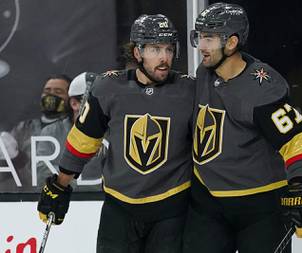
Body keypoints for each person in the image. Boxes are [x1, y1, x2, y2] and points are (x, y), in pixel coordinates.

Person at [37, 14, 195, 253]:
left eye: (169, 49)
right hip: (119, 210)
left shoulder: (189, 90)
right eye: (155, 49)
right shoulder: (108, 87)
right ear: (137, 53)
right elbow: (83, 142)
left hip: (172, 210)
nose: (164, 58)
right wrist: (60, 185)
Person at [183, 3, 302, 253]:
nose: (201, 46)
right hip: (208, 204)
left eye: (209, 38)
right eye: (200, 37)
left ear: (232, 42)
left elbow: (298, 141)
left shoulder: (261, 89)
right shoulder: (205, 72)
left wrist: (300, 184)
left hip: (260, 209)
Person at [0, 74, 71, 192]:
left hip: (58, 196)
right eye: (47, 91)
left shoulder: (72, 129)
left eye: (58, 91)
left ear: (70, 99)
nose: (51, 95)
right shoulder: (23, 128)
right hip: (24, 197)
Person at [36, 72, 103, 190]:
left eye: (102, 101)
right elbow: (42, 171)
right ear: (74, 103)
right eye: (93, 102)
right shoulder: (50, 132)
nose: (100, 106)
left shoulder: (114, 132)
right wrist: (85, 183)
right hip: (64, 197)